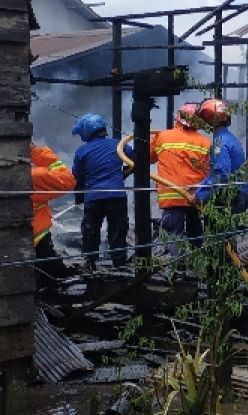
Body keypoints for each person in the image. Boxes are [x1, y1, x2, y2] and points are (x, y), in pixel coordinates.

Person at [132, 102, 211, 254]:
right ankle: (198, 263)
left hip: (172, 196)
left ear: (178, 118)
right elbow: (209, 170)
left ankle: (178, 268)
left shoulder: (163, 137)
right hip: (195, 196)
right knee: (195, 231)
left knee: (174, 234)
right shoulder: (205, 142)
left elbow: (148, 159)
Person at [71, 113, 129, 269]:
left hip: (94, 198)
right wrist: (124, 173)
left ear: (86, 131)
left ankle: (90, 264)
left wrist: (79, 198)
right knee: (117, 230)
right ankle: (120, 264)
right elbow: (136, 158)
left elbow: (77, 177)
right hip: (117, 195)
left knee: (91, 231)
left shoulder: (81, 151)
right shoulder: (118, 144)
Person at [31, 143, 76, 289]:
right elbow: (67, 180)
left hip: (10, 250)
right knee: (51, 287)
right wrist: (36, 151)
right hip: (36, 244)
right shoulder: (32, 177)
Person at [194, 98, 248, 216]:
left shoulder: (220, 142)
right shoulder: (228, 138)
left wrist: (200, 194)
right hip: (239, 194)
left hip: (231, 196)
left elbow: (221, 174)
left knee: (216, 233)